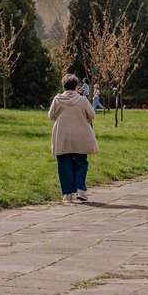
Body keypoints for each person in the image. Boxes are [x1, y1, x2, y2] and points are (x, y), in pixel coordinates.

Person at [49, 74, 99, 204]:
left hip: (62, 135)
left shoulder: (57, 99)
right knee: (81, 163)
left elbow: (51, 115)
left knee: (64, 164)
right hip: (81, 135)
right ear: (76, 86)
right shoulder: (82, 100)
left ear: (63, 86)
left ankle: (67, 194)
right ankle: (81, 189)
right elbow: (92, 115)